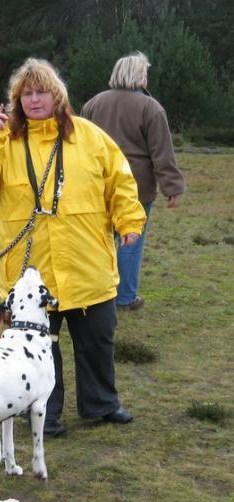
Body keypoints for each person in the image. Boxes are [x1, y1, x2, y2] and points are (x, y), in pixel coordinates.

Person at [0, 58, 146, 437]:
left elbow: (119, 180)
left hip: (86, 262)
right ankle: (45, 413)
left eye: (41, 92)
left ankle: (101, 404)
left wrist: (129, 220)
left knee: (97, 340)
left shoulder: (90, 137)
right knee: (36, 348)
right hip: (31, 272)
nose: (34, 99)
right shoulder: (4, 142)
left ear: (57, 96)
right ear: (16, 100)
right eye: (26, 94)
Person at [81, 51, 186, 310]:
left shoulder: (93, 103)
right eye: (146, 74)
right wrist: (172, 187)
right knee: (131, 242)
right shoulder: (151, 108)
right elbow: (162, 152)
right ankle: (125, 298)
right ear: (140, 77)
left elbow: (80, 146)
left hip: (96, 185)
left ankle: (93, 295)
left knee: (97, 241)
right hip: (136, 189)